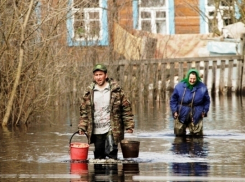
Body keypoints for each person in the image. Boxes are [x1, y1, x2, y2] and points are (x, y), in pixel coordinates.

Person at [78, 63, 134, 159]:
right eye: (96, 75)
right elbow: (84, 112)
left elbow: (126, 108)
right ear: (93, 76)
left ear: (106, 75)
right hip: (96, 129)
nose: (98, 77)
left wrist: (129, 125)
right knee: (99, 156)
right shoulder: (89, 93)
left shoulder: (116, 91)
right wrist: (82, 126)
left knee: (111, 153)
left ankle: (113, 172)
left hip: (112, 128)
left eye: (101, 74)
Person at [169, 69, 210, 136]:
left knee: (197, 137)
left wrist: (205, 111)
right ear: (188, 77)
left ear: (197, 78)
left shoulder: (202, 87)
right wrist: (174, 111)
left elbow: (207, 101)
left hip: (197, 113)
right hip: (181, 113)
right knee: (179, 136)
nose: (192, 80)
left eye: (194, 79)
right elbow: (173, 100)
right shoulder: (179, 86)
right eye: (191, 78)